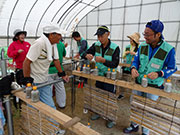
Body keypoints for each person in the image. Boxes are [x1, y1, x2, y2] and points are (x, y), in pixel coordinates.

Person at [123, 20, 177, 135]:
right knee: (136, 105)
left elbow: (172, 68)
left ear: (158, 34)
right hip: (138, 82)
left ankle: (145, 132)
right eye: (144, 34)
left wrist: (160, 73)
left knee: (148, 109)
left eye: (148, 35)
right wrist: (133, 68)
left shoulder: (168, 50)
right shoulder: (142, 46)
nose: (145, 37)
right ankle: (134, 125)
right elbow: (136, 61)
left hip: (153, 86)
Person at [82, 25, 120, 128]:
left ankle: (111, 118)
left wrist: (104, 61)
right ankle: (98, 112)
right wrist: (87, 55)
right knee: (98, 94)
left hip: (109, 77)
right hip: (98, 75)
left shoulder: (115, 47)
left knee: (109, 97)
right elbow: (84, 53)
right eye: (98, 36)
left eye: (101, 36)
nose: (99, 39)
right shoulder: (96, 45)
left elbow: (115, 64)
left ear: (108, 34)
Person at [23, 24, 69, 109]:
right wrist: (27, 80)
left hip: (44, 78)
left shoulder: (53, 44)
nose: (61, 37)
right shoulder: (39, 43)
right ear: (51, 35)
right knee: (36, 105)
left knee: (47, 105)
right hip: (35, 80)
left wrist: (62, 74)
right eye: (59, 34)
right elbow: (26, 62)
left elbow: (56, 60)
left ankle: (48, 119)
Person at [118, 32, 140, 100]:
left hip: (133, 68)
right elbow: (124, 56)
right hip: (126, 66)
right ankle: (121, 94)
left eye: (132, 40)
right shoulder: (127, 47)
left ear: (135, 41)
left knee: (132, 82)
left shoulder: (139, 48)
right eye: (130, 40)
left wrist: (134, 53)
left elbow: (139, 57)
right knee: (123, 80)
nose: (130, 41)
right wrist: (126, 53)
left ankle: (131, 96)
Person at [49, 36, 67, 109]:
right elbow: (64, 54)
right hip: (59, 69)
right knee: (60, 88)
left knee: (48, 88)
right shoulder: (61, 44)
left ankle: (48, 105)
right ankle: (62, 104)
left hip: (49, 70)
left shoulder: (48, 44)